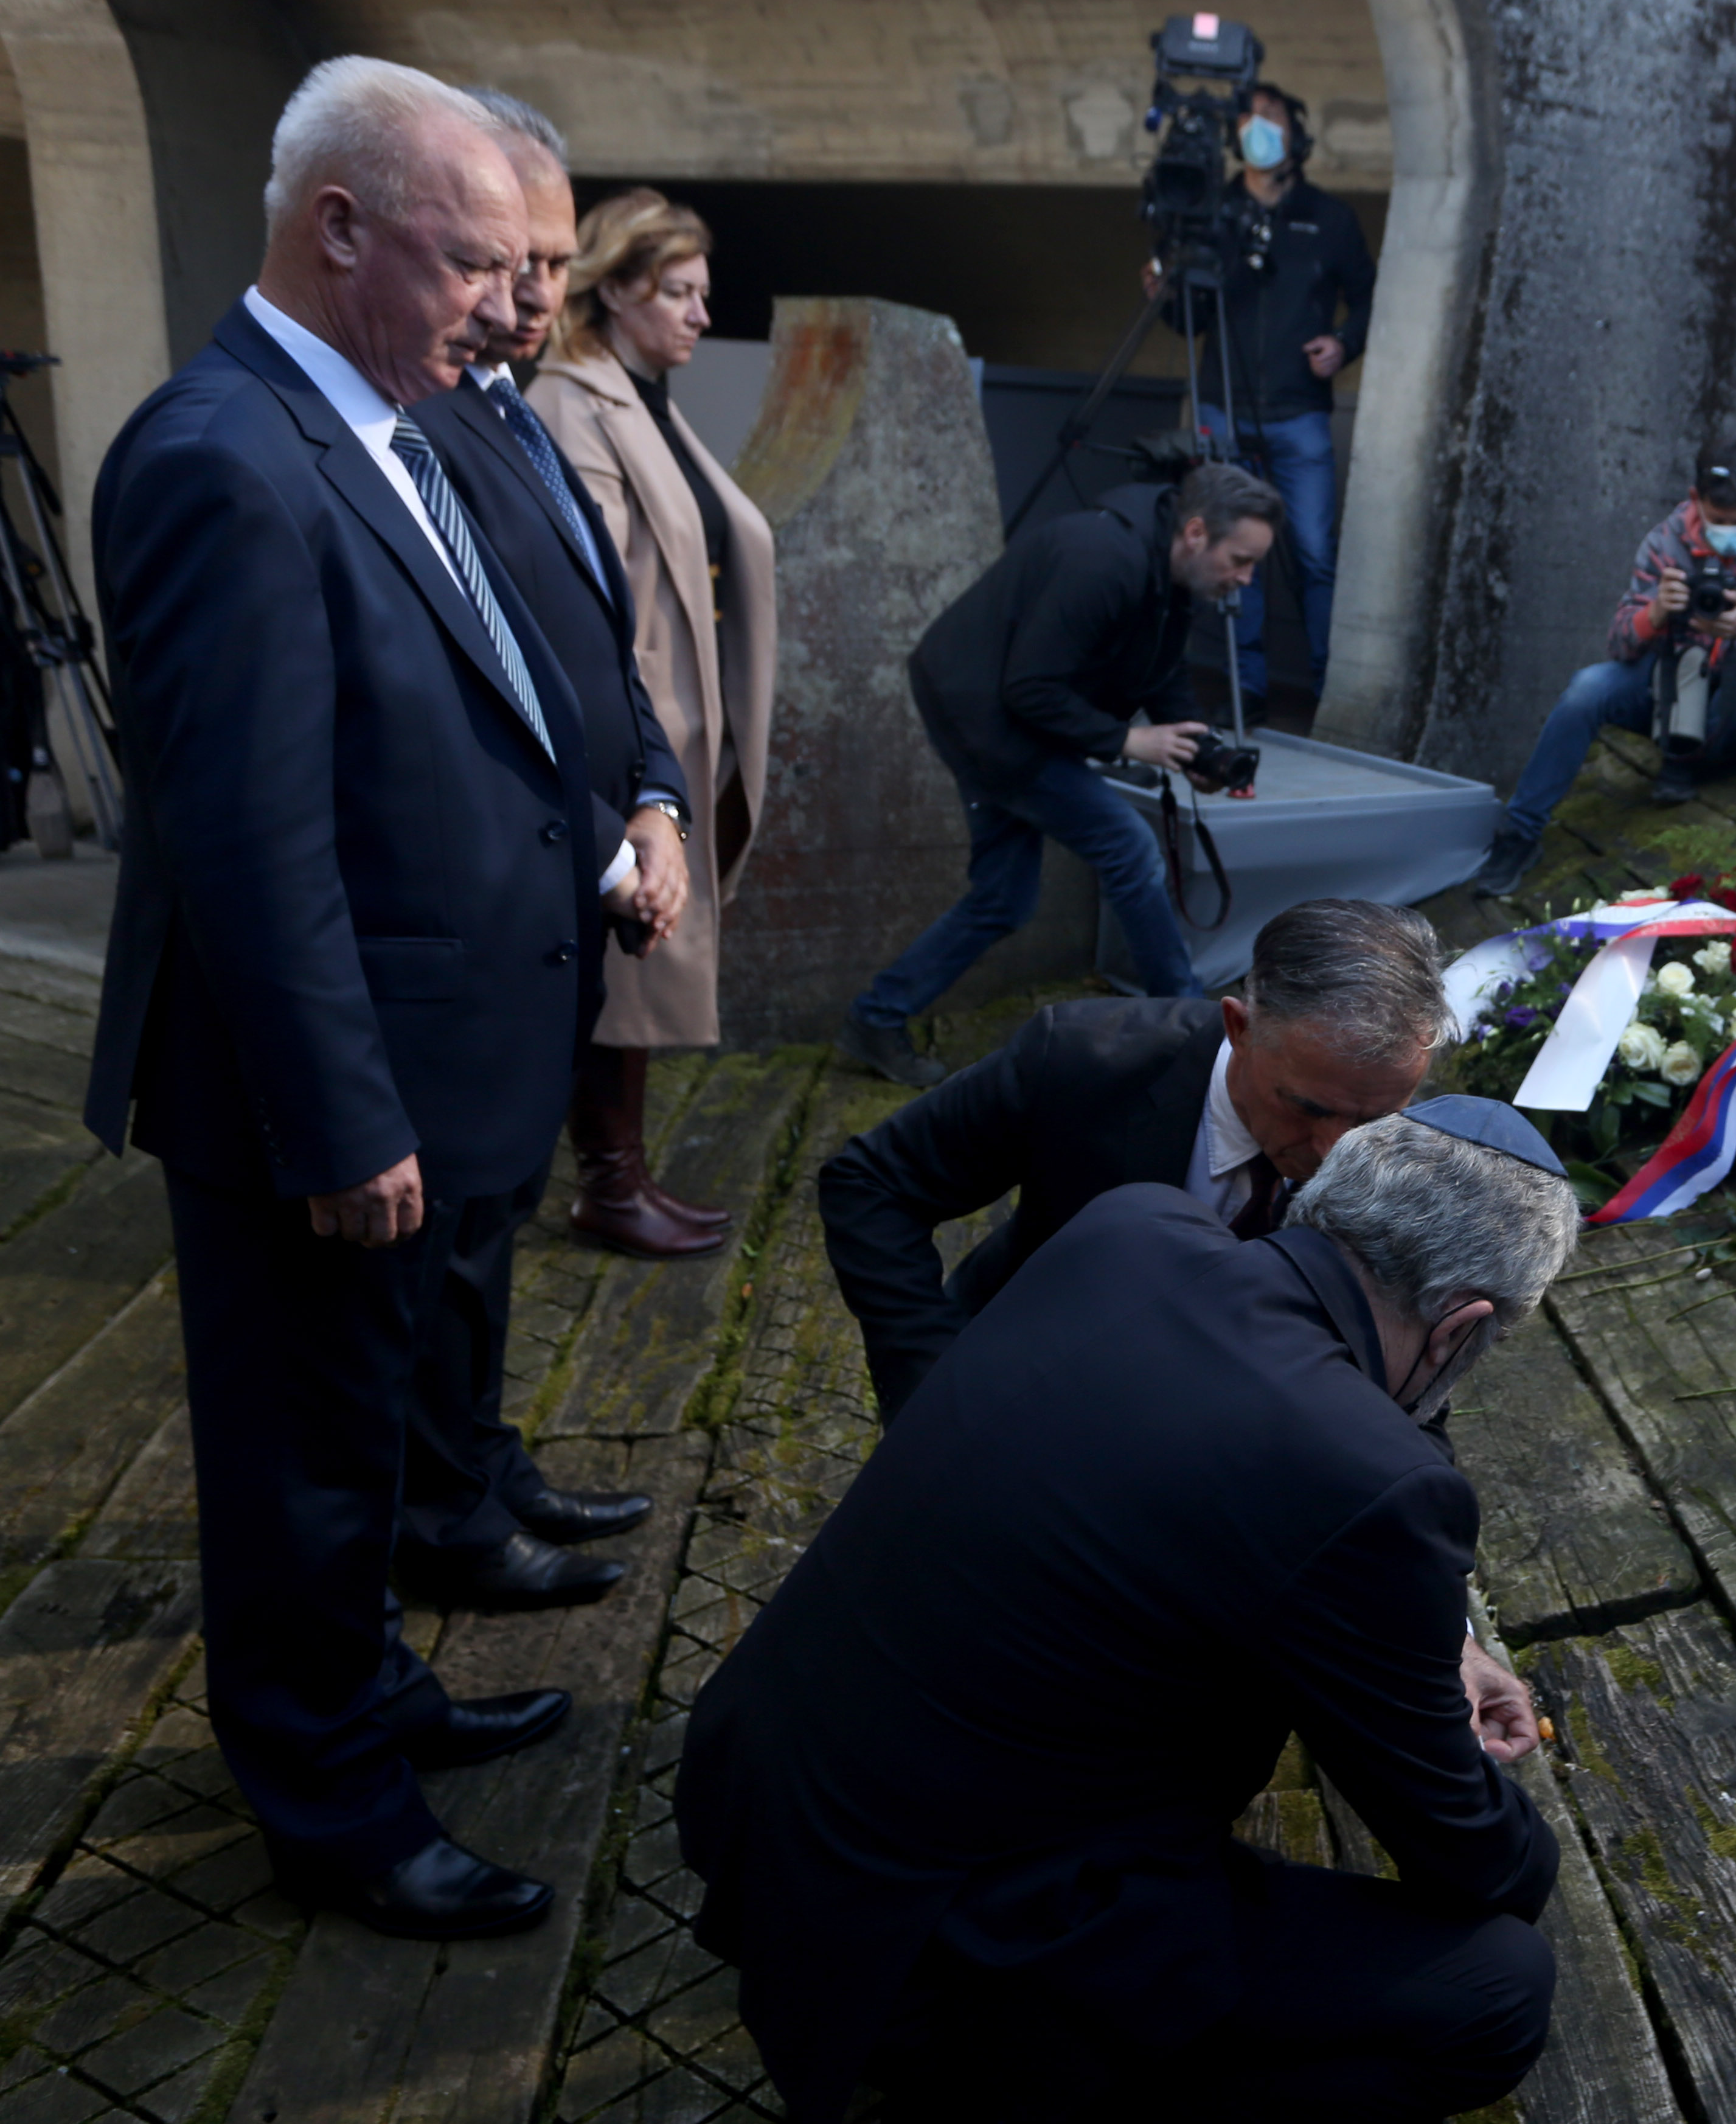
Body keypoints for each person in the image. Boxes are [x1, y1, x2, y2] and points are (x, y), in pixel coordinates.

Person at [82, 57, 660, 1941]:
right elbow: (248, 844)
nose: (507, 303)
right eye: (473, 261)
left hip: (425, 1066)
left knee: (360, 1441)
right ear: (338, 231)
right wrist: (339, 1117)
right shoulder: (222, 456)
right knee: (302, 1472)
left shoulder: (382, 424)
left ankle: (371, 1694)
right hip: (324, 1101)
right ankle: (330, 1806)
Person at [677, 1098, 1578, 2124]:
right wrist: (1505, 1811)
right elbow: (1470, 1854)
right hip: (939, 1933)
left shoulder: (1133, 1228)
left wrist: (1423, 1643)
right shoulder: (1376, 1480)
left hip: (762, 1791)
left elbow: (1179, 1500)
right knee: (1495, 1992)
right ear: (1461, 1328)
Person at [389, 86, 695, 1613]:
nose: (531, 293)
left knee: (490, 1228)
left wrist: (656, 802)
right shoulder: (414, 425)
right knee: (448, 1244)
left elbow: (594, 648)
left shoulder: (504, 407)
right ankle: (442, 1507)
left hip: (567, 890)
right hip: (484, 911)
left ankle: (477, 1462)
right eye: (510, 261)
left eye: (554, 265)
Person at [819, 895, 1445, 1422]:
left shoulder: (1413, 1146)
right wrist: (932, 1391)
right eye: (1305, 1107)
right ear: (1240, 1029)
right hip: (1023, 1388)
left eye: (1371, 1120)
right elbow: (871, 1185)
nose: (1335, 1152)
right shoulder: (1079, 1061)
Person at [835, 461, 1279, 1089]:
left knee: (1003, 898)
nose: (1245, 579)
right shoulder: (1102, 560)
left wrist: (1194, 748)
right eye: (1240, 560)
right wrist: (1126, 740)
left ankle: (877, 1017)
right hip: (986, 716)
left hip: (1014, 712)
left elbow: (1160, 670)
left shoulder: (1171, 571)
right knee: (1128, 849)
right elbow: (1029, 686)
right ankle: (1191, 1031)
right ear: (1197, 533)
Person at [526, 189, 774, 1254]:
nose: (700, 315)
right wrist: (641, 760)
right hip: (632, 727)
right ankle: (609, 1183)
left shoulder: (642, 397)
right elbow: (589, 600)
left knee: (641, 949)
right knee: (625, 952)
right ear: (617, 290)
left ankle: (620, 1174)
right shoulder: (572, 402)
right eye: (678, 292)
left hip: (675, 719)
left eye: (702, 293)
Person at [1473, 431, 1736, 897]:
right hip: (1674, 688)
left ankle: (1687, 758)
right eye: (1719, 520)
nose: (1729, 530)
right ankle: (1520, 833)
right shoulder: (1667, 540)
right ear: (1695, 499)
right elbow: (1620, 644)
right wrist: (1656, 612)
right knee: (1588, 688)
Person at [1155, 78, 1373, 705]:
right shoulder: (1211, 213)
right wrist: (1165, 293)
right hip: (1223, 404)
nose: (1258, 129)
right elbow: (1187, 321)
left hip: (1299, 410)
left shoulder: (1330, 218)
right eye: (1247, 119)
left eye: (1271, 118)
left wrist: (1343, 343)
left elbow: (1368, 299)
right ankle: (1245, 688)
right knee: (1231, 549)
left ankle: (1330, 690)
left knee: (1313, 554)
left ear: (1296, 135)